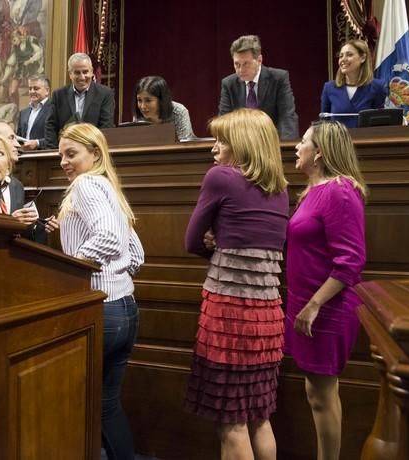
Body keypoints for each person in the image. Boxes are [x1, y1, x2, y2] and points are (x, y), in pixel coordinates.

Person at [184, 109, 289, 459]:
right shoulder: (280, 189)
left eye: (222, 141)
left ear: (243, 145)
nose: (214, 148)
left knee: (232, 423)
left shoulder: (221, 178)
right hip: (268, 320)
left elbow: (191, 241)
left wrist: (214, 246)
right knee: (259, 416)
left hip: (229, 314)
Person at [57, 123, 144, 460]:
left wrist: (71, 271)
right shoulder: (108, 187)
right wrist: (114, 274)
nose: (64, 161)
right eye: (61, 154)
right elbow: (135, 254)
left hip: (98, 309)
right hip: (125, 309)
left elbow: (107, 237)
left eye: (72, 154)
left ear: (95, 154)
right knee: (107, 406)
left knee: (76, 403)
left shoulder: (85, 183)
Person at [283, 121, 367, 460]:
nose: (296, 147)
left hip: (326, 308)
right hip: (305, 304)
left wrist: (315, 304)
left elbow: (351, 261)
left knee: (323, 393)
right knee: (315, 391)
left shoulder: (339, 190)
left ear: (319, 152)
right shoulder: (312, 191)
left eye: (303, 142)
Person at [219, 35, 299, 140]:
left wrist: (285, 150)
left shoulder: (278, 79)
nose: (241, 70)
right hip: (240, 146)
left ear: (259, 60)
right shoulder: (229, 84)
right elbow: (224, 121)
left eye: (246, 64)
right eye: (237, 64)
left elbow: (287, 117)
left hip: (272, 144)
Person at [44, 53, 115, 148]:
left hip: (93, 152)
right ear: (70, 74)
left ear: (92, 71)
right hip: (64, 153)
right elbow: (51, 126)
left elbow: (106, 126)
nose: (82, 77)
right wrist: (53, 153)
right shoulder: (58, 95)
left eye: (85, 72)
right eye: (77, 73)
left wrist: (94, 150)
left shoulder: (105, 94)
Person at [320, 39, 388, 128]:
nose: (343, 59)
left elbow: (380, 124)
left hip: (366, 140)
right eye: (341, 56)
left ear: (362, 58)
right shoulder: (329, 88)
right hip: (338, 141)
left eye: (349, 55)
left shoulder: (377, 87)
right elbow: (324, 124)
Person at [132, 75, 195, 141]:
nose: (143, 106)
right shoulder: (138, 116)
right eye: (139, 100)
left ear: (161, 100)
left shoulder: (179, 112)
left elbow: (186, 145)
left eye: (148, 100)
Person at [16, 75, 51, 150]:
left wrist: (37, 143)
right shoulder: (23, 113)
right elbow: (19, 136)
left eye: (36, 88)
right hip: (24, 157)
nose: (32, 91)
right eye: (30, 88)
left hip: (46, 157)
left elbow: (60, 138)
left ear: (47, 91)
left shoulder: (55, 109)